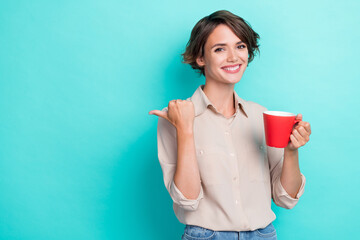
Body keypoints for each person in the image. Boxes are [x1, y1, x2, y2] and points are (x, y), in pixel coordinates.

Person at [149, 10, 311, 240]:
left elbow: (286, 198)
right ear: (201, 58)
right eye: (220, 49)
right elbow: (187, 199)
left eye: (240, 46)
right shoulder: (175, 117)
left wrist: (292, 150)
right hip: (205, 235)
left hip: (263, 235)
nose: (234, 57)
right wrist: (185, 130)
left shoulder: (261, 116)